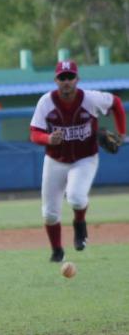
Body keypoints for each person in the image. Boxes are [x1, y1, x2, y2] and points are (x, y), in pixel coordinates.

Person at [30, 60, 126, 262]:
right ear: (56, 80)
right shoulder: (45, 102)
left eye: (70, 77)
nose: (67, 81)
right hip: (55, 160)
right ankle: (57, 251)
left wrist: (122, 133)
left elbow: (116, 103)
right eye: (62, 78)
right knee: (49, 214)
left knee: (76, 198)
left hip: (85, 159)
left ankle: (79, 225)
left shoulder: (90, 99)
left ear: (77, 79)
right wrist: (47, 138)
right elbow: (34, 133)